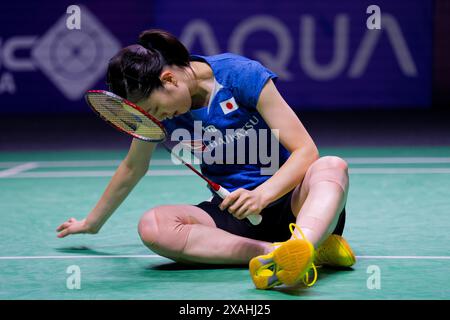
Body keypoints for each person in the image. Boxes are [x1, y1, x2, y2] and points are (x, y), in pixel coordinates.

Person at [56, 29, 355, 290]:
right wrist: (91, 223)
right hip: (235, 214)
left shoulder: (240, 75)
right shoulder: (159, 115)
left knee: (331, 165)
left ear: (169, 79)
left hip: (294, 202)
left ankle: (304, 240)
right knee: (154, 225)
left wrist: (262, 195)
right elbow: (133, 167)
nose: (159, 119)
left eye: (157, 109)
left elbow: (305, 150)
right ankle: (282, 254)